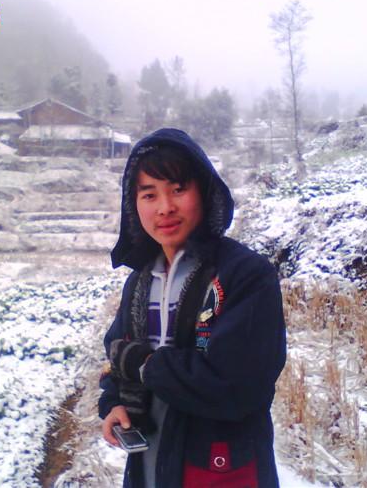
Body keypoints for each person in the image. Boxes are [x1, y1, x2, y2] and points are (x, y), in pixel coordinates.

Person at [99, 128, 287, 488]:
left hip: (221, 469)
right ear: (134, 205)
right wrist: (113, 404)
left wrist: (146, 364)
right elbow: (119, 357)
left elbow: (237, 386)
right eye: (149, 194)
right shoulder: (140, 281)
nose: (165, 207)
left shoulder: (245, 275)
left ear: (204, 191)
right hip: (150, 466)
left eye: (178, 190)